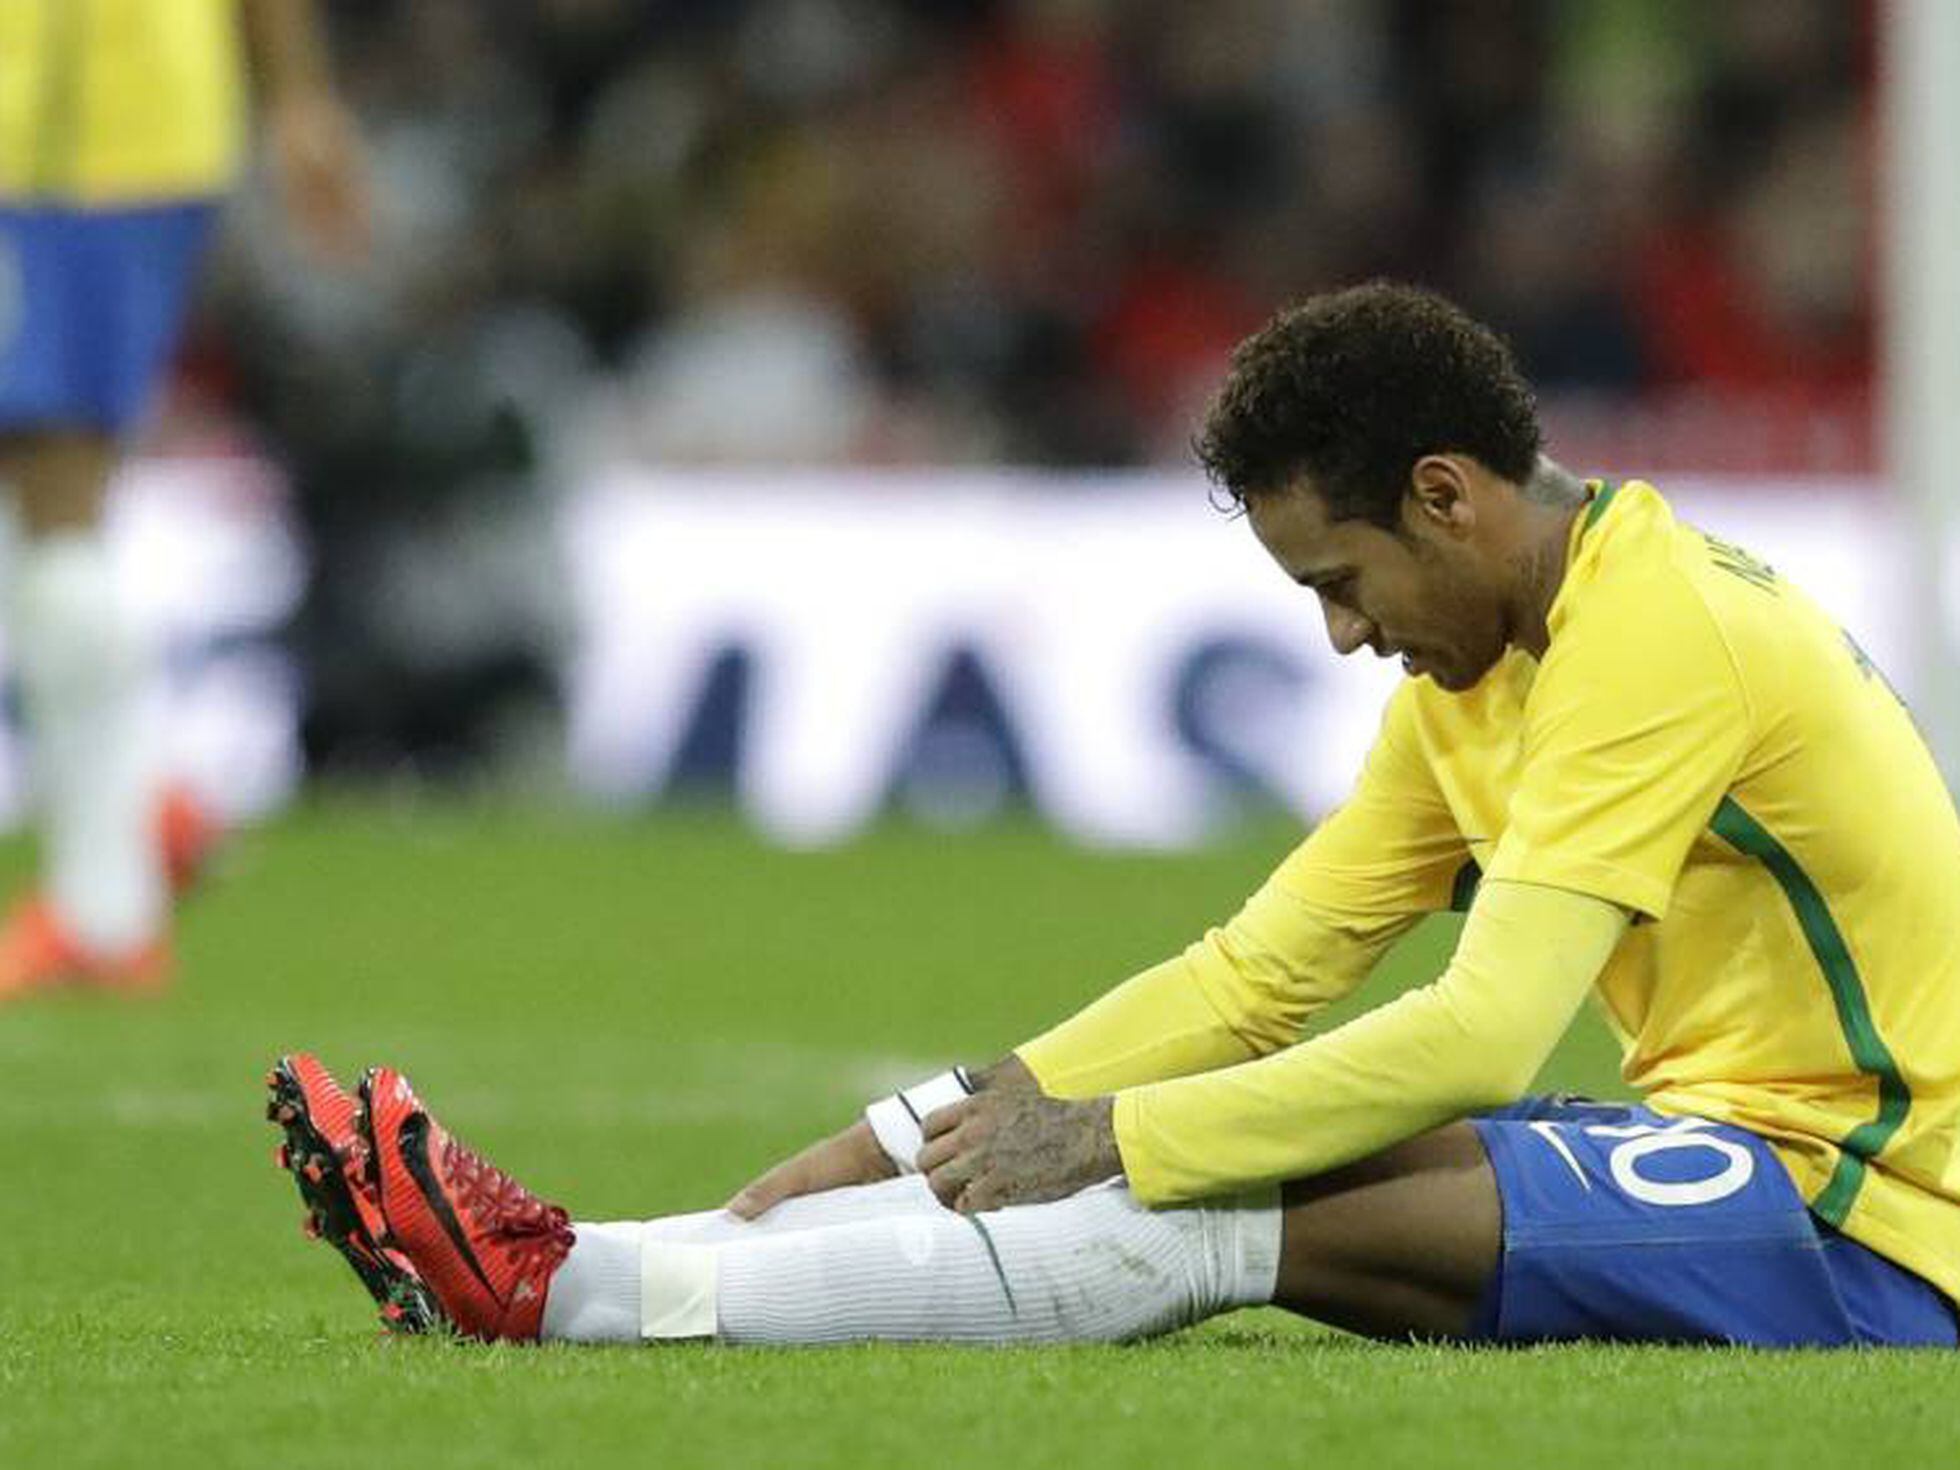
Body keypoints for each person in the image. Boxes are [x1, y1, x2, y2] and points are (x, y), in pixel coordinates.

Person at [272, 283, 1960, 1347]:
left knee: (1204, 1209)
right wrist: (897, 1131)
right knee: (1216, 1160)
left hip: (1877, 1218)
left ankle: (562, 1293)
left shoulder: (1657, 637)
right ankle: (575, 1259)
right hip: (1739, 1153)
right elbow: (1253, 980)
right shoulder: (1481, 671)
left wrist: (1116, 1137)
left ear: (1445, 496)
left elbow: (1481, 1038)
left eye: (1343, 579)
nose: (1344, 634)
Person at [0, 0, 367, 998]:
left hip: (85, 142)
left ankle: (104, 908)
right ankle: (131, 812)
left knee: (53, 476)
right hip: (78, 130)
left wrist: (298, 96)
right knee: (40, 500)